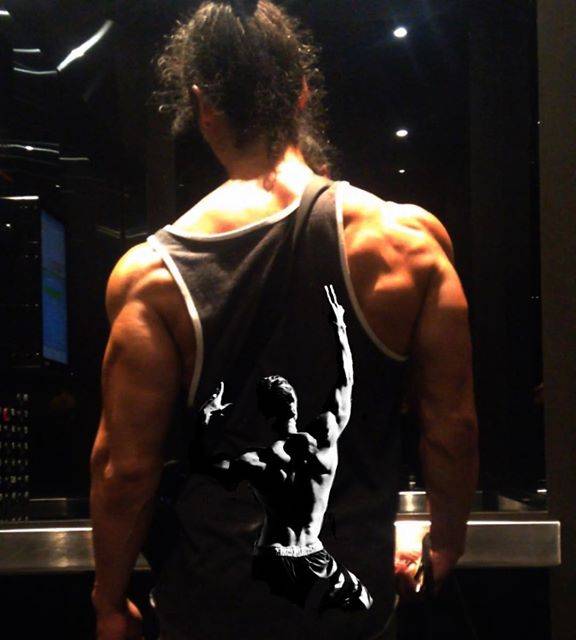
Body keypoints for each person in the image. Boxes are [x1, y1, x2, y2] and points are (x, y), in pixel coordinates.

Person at [89, 2, 479, 639]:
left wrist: (109, 601)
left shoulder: (153, 277)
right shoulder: (406, 243)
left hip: (210, 611)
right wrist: (447, 538)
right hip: (350, 611)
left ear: (202, 105)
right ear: (301, 91)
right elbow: (451, 427)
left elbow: (124, 469)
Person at [198, 285, 373, 612]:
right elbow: (345, 383)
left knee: (279, 621)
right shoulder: (325, 439)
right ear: (295, 404)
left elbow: (204, 464)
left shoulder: (256, 461)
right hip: (312, 554)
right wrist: (340, 326)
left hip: (271, 556)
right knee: (362, 606)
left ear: (265, 415)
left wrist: (204, 420)